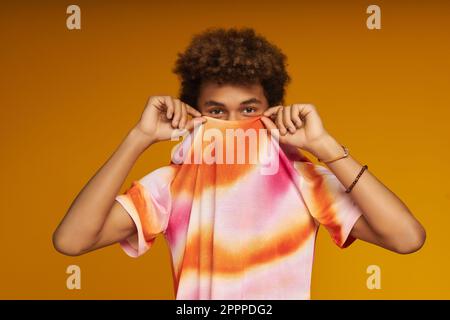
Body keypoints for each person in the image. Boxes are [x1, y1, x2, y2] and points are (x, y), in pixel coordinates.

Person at [53, 27, 426, 299]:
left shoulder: (303, 179)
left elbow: (407, 238)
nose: (233, 124)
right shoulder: (172, 184)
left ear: (272, 111)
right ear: (196, 114)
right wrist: (138, 138)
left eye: (248, 109)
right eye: (217, 111)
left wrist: (325, 147)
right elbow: (71, 241)